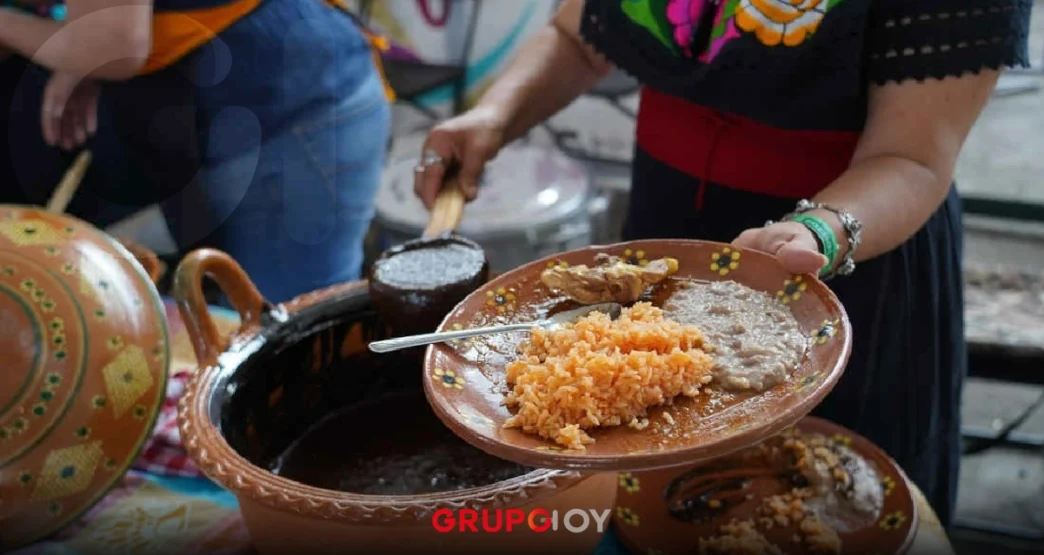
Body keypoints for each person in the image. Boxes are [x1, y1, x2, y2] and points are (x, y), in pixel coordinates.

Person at [414, 0, 1032, 527]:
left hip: (842, 253)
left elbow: (913, 157)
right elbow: (579, 37)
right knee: (647, 509)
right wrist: (492, 118)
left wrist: (817, 230)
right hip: (663, 237)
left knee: (827, 511)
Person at [0, 0, 392, 302]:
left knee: (294, 342)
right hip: (271, 92)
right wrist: (79, 52)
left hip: (293, 111)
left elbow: (114, 42)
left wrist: (83, 45)